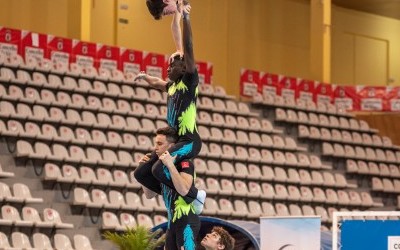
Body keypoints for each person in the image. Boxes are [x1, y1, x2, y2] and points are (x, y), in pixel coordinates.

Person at [134, 0, 206, 214]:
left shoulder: (189, 81)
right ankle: (175, 190)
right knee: (141, 172)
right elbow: (158, 82)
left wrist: (186, 17)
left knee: (158, 168)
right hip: (177, 140)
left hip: (189, 141)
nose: (168, 66)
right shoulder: (173, 86)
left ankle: (194, 195)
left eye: (173, 63)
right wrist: (146, 77)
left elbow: (188, 45)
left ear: (184, 67)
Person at [139, 126, 200, 250]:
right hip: (172, 223)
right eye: (155, 143)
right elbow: (149, 195)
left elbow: (184, 190)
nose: (155, 148)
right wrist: (143, 170)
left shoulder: (185, 163)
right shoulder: (160, 169)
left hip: (187, 221)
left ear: (172, 146)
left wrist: (170, 165)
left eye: (160, 144)